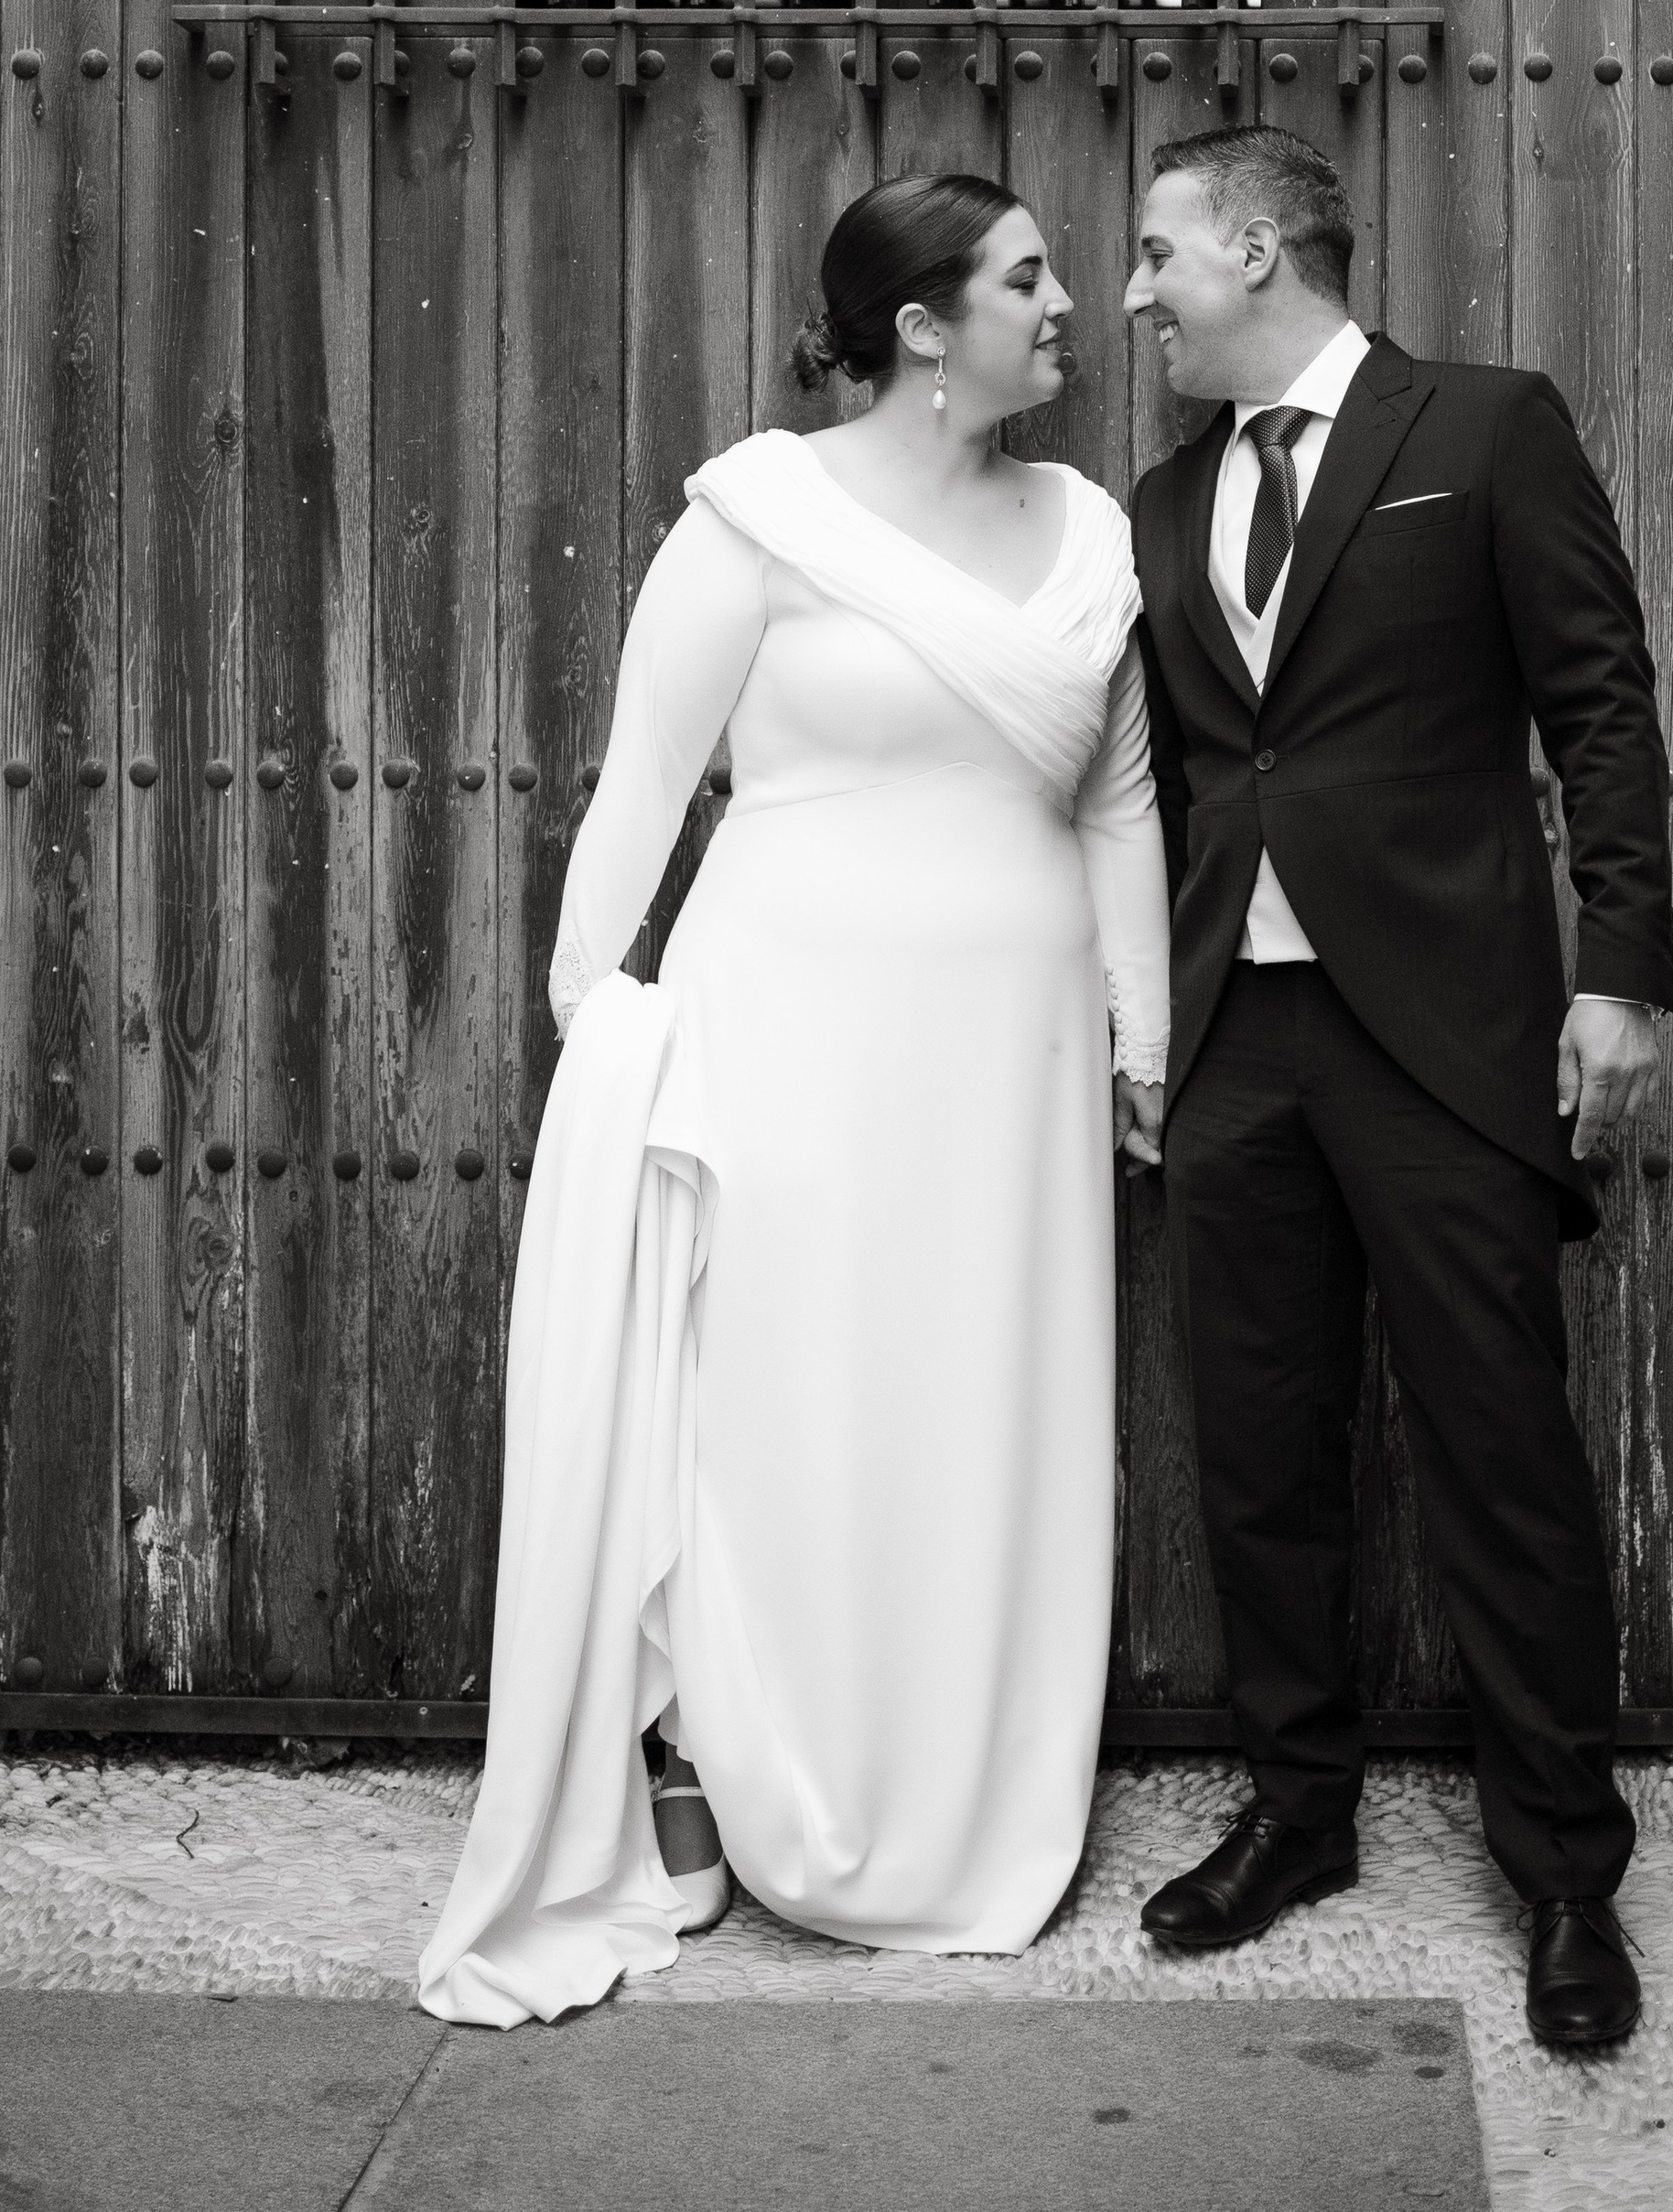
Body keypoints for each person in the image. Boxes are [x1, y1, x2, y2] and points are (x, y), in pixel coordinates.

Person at [418, 173, 1171, 2026]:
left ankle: (959, 1799)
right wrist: (591, 1013)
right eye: (1022, 278)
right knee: (792, 1407)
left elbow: (1119, 803)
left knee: (977, 1405)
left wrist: (1140, 1034)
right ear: (920, 328)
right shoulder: (753, 519)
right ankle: (730, 1764)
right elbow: (642, 780)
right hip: (791, 1035)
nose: (1065, 303)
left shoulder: (1082, 530)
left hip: (1006, 1067)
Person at [1120, 124, 1673, 2056]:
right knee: (1257, 1453)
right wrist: (1145, 1026)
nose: (1135, 295)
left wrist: (1621, 968)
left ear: (1260, 251)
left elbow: (1599, 699)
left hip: (1442, 1030)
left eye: (1159, 255)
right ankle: (1296, 1818)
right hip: (1232, 1046)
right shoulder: (1160, 498)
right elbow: (1181, 786)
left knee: (1496, 1454)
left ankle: (1561, 1873)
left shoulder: (1485, 425)